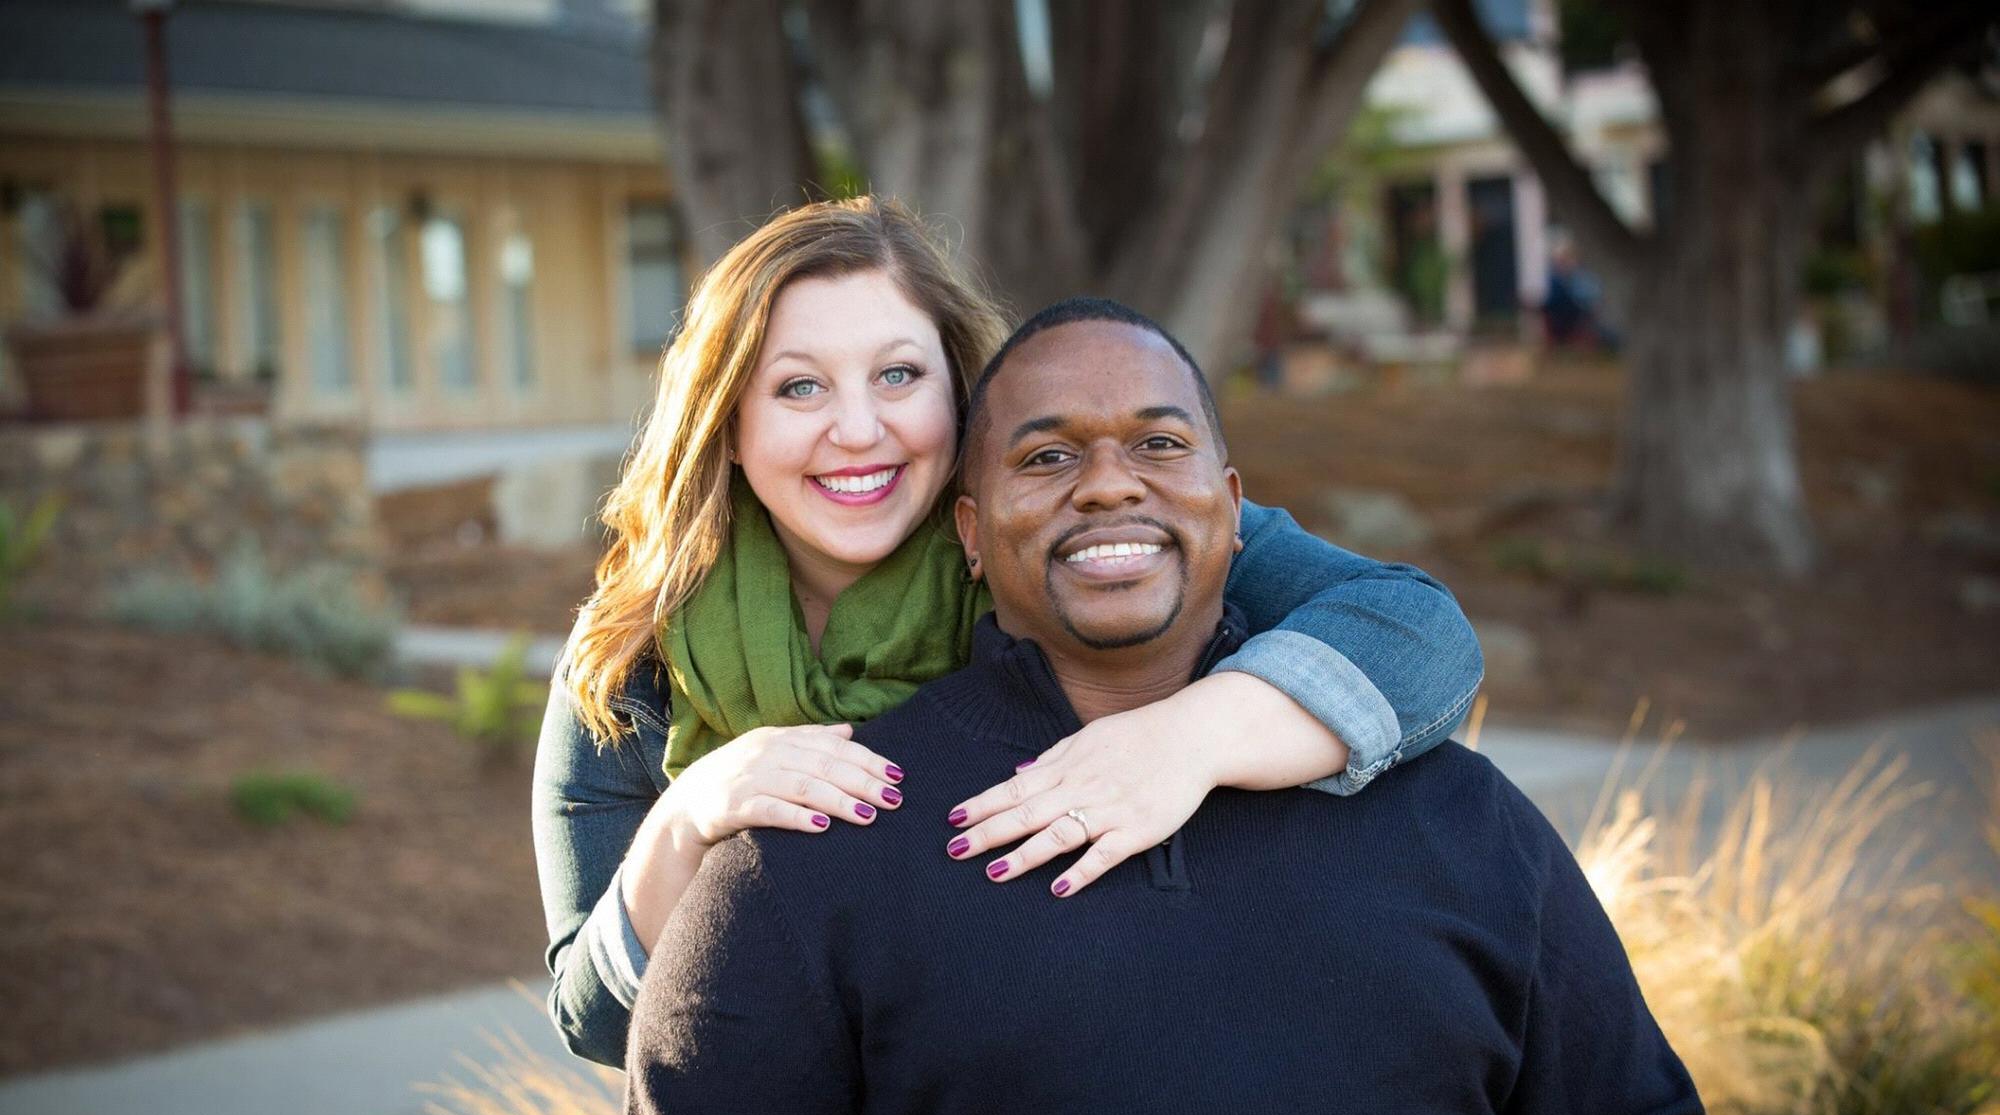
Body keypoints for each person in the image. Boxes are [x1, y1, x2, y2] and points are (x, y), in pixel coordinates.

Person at [619, 299, 1742, 1115]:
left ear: (1234, 506)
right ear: (968, 531)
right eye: (1046, 455)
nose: (1108, 485)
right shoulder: (821, 834)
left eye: (1158, 444)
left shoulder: (1453, 810)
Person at [534, 197, 1485, 1070]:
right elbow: (598, 1023)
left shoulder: (1064, 543)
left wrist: (1183, 742)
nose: (859, 430)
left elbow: (1418, 635)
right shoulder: (632, 654)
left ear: (959, 391)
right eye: (799, 388)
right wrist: (690, 812)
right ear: (729, 422)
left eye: (898, 375)